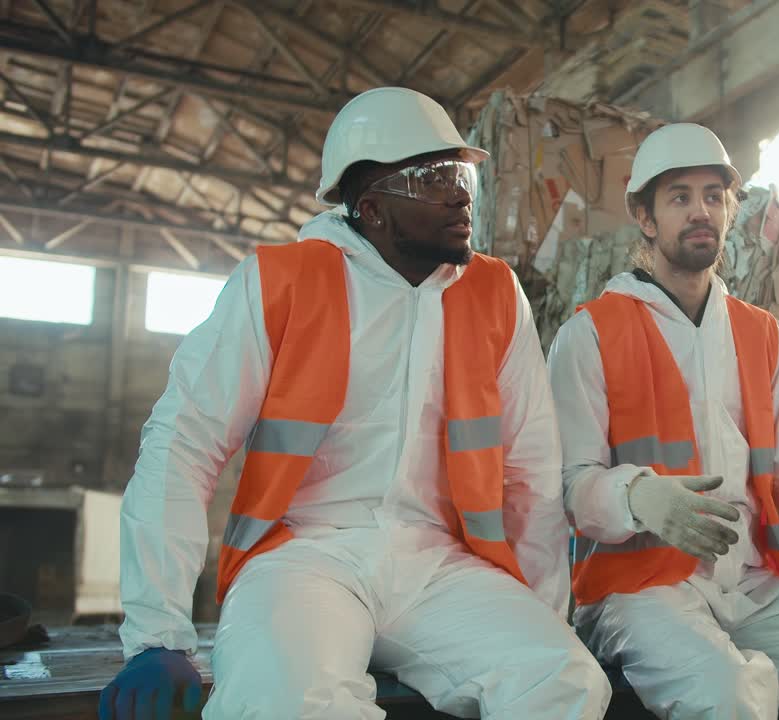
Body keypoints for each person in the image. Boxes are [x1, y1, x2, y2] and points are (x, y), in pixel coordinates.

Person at [100, 87, 611, 720]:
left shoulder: (496, 294)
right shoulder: (279, 281)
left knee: (565, 683)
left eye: (463, 174)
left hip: (442, 566)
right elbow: (183, 444)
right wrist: (157, 631)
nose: (460, 195)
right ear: (370, 207)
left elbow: (529, 470)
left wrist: (540, 615)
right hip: (303, 557)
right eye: (433, 177)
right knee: (285, 702)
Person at [547, 123, 779, 719]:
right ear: (645, 217)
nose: (701, 212)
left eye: (714, 196)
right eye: (680, 197)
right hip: (642, 591)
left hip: (752, 585)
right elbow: (568, 482)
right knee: (728, 695)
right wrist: (640, 497)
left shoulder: (759, 334)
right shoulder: (590, 334)